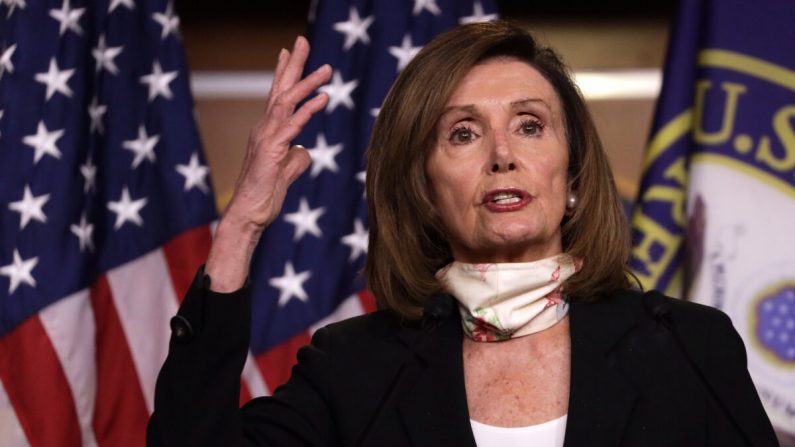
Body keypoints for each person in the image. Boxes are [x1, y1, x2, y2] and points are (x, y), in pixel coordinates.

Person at [147, 21, 778, 446]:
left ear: (576, 175)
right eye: (463, 134)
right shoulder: (354, 368)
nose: (502, 155)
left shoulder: (689, 348)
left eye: (530, 125)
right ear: (422, 190)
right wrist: (241, 228)